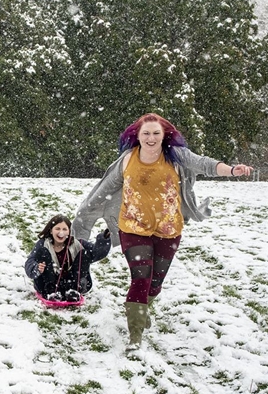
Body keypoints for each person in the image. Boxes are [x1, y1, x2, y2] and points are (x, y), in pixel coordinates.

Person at [72, 113, 253, 351]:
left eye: (156, 133)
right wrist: (85, 216)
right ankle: (135, 336)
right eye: (146, 133)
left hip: (168, 229)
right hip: (133, 228)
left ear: (164, 135)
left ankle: (143, 306)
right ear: (137, 136)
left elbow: (205, 164)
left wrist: (231, 170)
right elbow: (103, 191)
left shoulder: (176, 156)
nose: (151, 138)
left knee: (155, 283)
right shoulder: (128, 160)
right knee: (141, 278)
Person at [25, 214, 111, 302]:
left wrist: (104, 239)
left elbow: (95, 253)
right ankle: (51, 292)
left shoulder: (77, 243)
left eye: (64, 229)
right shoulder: (43, 244)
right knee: (43, 252)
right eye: (57, 229)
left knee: (84, 253)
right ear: (51, 231)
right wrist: (37, 268)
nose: (61, 232)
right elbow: (30, 262)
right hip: (48, 283)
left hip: (71, 282)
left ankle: (73, 290)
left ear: (69, 231)